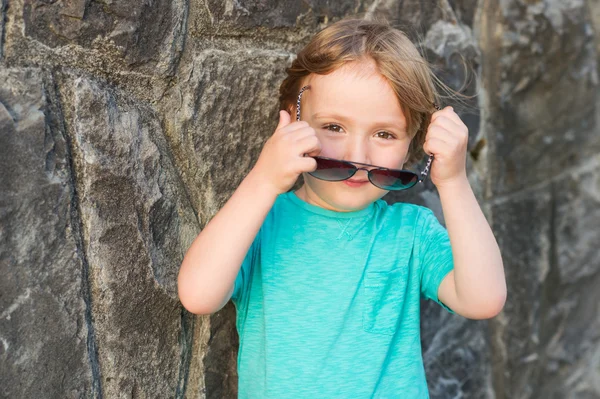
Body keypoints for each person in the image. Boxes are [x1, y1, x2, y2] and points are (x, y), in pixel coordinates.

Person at [178, 17, 506, 398]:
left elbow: (483, 298)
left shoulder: (410, 231)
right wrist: (262, 181)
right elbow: (198, 295)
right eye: (334, 127)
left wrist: (454, 181)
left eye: (384, 134)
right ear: (292, 118)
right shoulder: (259, 222)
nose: (358, 155)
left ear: (414, 140)